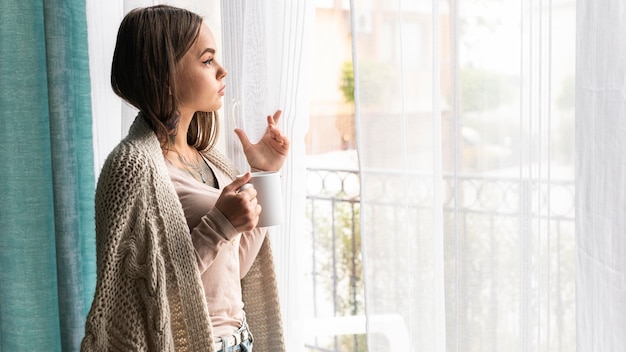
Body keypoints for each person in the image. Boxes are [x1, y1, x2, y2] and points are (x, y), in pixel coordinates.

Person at [81, 5, 288, 352]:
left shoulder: (211, 161)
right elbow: (135, 299)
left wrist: (266, 174)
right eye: (207, 61)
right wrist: (220, 225)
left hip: (240, 341)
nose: (222, 71)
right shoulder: (130, 167)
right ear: (163, 73)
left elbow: (234, 269)